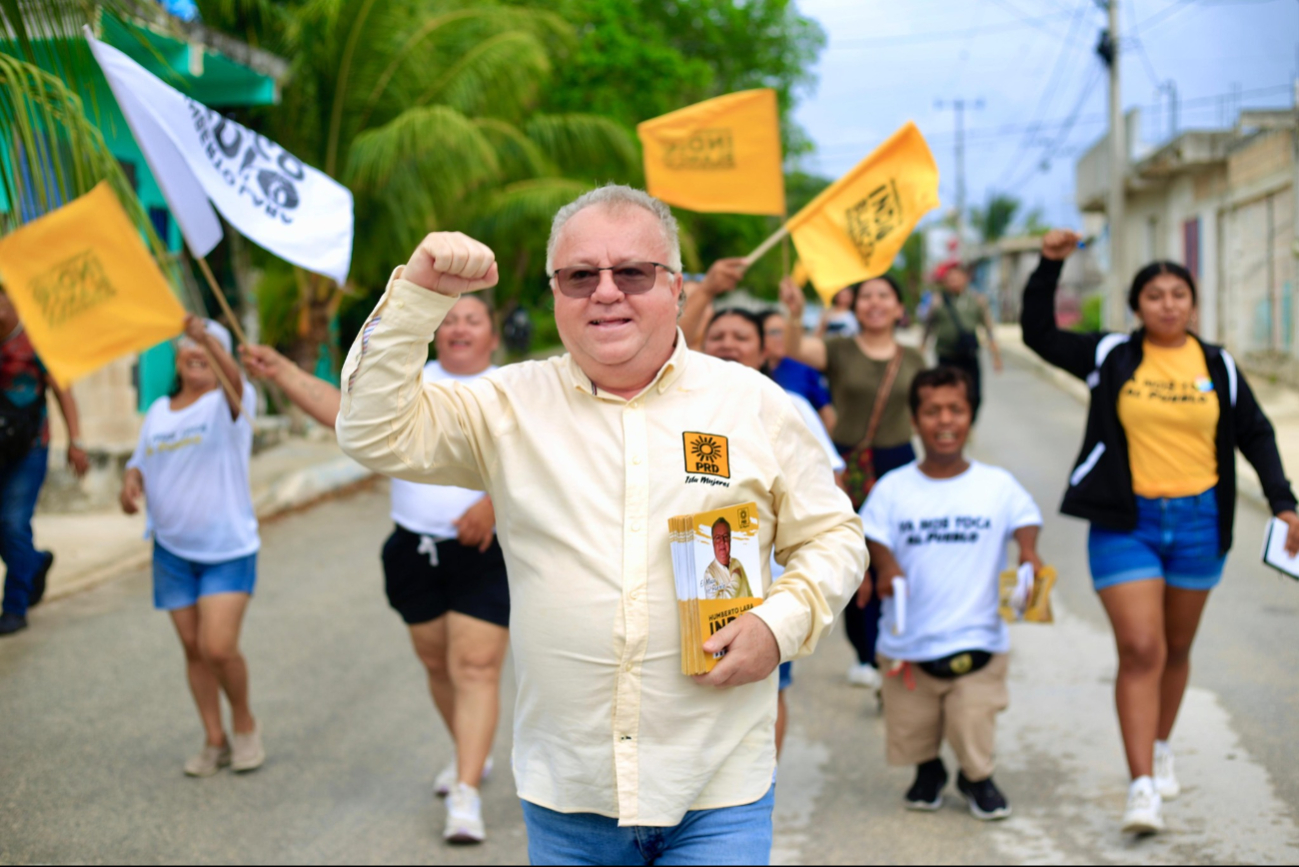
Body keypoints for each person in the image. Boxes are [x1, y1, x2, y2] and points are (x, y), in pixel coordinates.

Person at [336, 184, 866, 867]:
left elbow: (834, 536)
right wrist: (416, 298)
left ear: (675, 287)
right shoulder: (506, 405)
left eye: (632, 273)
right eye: (580, 275)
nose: (605, 292)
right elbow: (371, 431)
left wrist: (778, 623)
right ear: (555, 292)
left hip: (716, 789)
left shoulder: (752, 404)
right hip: (570, 797)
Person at [1022, 229, 1299, 835]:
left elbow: (1255, 433)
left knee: (1176, 648)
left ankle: (1162, 743)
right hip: (1127, 523)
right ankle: (1142, 785)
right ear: (1137, 305)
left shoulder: (1218, 364)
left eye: (1179, 294)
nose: (1168, 304)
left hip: (1201, 522)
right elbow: (1038, 336)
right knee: (1141, 648)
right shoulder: (1111, 355)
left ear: (1192, 304)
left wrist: (1283, 501)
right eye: (1155, 294)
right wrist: (1050, 264)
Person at [241, 295, 511, 845]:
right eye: (450, 319)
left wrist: (494, 505)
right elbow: (344, 412)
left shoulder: (512, 389)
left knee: (476, 667)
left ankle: (465, 794)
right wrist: (284, 371)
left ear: (492, 335)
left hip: (486, 553)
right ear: (438, 333)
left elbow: (547, 464)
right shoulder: (412, 383)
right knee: (438, 665)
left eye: (472, 320)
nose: (459, 327)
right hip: (413, 552)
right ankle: (469, 752)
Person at [861, 366, 1043, 821]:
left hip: (978, 632)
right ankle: (928, 771)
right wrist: (884, 564)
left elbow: (1025, 516)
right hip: (909, 635)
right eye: (932, 411)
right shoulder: (893, 487)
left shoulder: (996, 485)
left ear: (970, 416)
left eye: (956, 410)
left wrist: (1028, 551)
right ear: (915, 421)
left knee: (972, 715)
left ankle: (976, 776)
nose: (945, 421)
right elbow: (871, 531)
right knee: (912, 721)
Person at [698, 306, 848, 759]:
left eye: (740, 336)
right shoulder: (682, 405)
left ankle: (761, 780)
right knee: (700, 684)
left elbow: (829, 492)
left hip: (765, 585)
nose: (727, 344)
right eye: (717, 335)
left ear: (766, 350)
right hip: (699, 576)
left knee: (764, 688)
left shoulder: (787, 405)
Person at [120, 317, 264, 777]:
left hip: (227, 549)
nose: (197, 350)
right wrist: (131, 481)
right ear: (177, 357)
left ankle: (244, 724)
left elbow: (236, 379)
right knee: (193, 649)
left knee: (218, 646)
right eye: (190, 344)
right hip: (171, 552)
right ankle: (214, 738)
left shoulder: (230, 403)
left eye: (209, 344)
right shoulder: (160, 409)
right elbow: (140, 460)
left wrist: (210, 339)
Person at [780, 273, 924, 694]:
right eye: (865, 296)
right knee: (854, 559)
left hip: (899, 464)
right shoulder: (839, 350)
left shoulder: (915, 357)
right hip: (846, 469)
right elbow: (794, 348)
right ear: (853, 306)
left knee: (897, 557)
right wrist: (793, 314)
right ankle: (866, 655)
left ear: (899, 308)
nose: (874, 303)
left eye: (884, 296)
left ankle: (901, 645)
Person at [0, 285, 90, 637]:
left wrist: (76, 442)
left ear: (11, 299)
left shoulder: (37, 341)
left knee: (12, 524)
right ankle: (35, 564)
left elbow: (63, 391)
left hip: (32, 448)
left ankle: (14, 607)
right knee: (3, 530)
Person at [923, 263, 1002, 421]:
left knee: (974, 394)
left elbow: (988, 329)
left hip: (969, 355)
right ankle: (951, 422)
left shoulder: (977, 300)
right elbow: (928, 327)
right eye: (949, 279)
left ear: (965, 278)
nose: (954, 282)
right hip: (945, 355)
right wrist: (922, 348)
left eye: (957, 277)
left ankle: (968, 424)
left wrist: (996, 356)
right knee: (945, 394)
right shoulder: (938, 300)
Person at [762, 310, 835, 434]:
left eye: (786, 332)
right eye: (775, 332)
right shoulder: (748, 367)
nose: (782, 337)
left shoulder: (803, 368)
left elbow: (828, 415)